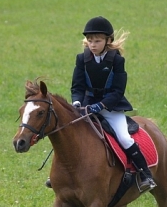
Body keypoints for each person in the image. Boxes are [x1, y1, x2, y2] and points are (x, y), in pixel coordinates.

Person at [46, 16, 156, 192]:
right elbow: (77, 86)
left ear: (108, 41)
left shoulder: (117, 61)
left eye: (97, 41)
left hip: (111, 108)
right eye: (90, 41)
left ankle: (145, 174)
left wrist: (102, 105)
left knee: (124, 138)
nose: (93, 45)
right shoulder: (82, 59)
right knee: (69, 133)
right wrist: (76, 102)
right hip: (87, 106)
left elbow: (118, 91)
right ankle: (59, 175)